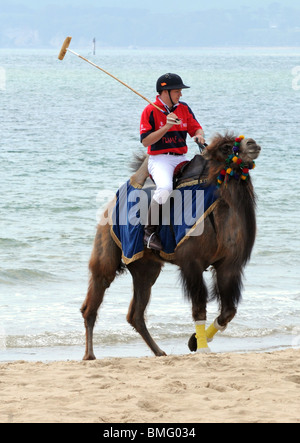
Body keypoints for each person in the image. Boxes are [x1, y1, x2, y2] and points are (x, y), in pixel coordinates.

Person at [140, 73, 205, 251]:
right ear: (165, 92)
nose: (181, 95)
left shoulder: (183, 108)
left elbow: (195, 128)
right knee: (165, 189)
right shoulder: (150, 111)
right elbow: (146, 141)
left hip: (181, 158)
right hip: (160, 159)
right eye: (177, 91)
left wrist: (199, 135)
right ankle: (149, 232)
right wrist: (166, 127)